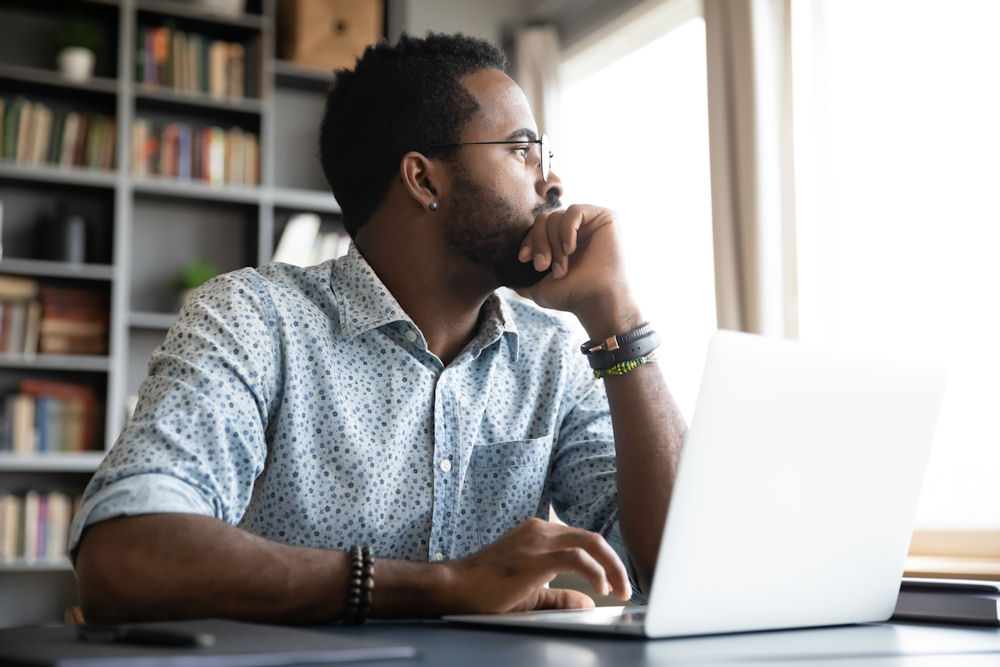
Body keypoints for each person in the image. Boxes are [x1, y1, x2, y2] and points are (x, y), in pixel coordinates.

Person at [71, 32, 687, 624]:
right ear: (423, 179)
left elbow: (677, 570)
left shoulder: (554, 354)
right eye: (521, 150)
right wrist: (444, 587)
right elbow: (125, 554)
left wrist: (619, 320)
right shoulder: (256, 320)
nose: (551, 181)